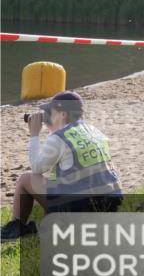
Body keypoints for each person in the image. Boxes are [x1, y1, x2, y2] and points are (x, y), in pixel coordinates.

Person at [1, 91, 122, 242]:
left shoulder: (59, 138)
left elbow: (37, 167)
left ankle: (16, 227)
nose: (47, 118)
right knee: (58, 182)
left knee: (25, 179)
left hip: (82, 209)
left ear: (63, 114)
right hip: (111, 204)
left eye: (50, 112)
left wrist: (34, 134)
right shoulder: (94, 131)